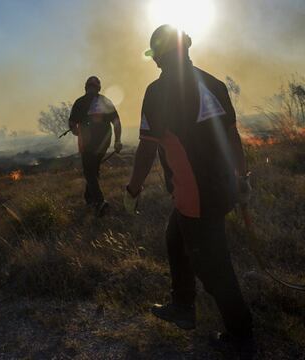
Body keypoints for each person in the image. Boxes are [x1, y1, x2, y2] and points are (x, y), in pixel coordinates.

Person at [123, 25, 255, 357]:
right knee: (174, 238)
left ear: (161, 56)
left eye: (155, 56)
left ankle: (241, 335)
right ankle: (182, 306)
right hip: (220, 187)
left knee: (213, 266)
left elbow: (146, 150)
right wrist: (241, 177)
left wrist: (133, 189)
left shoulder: (157, 92)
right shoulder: (215, 83)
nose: (154, 63)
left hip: (195, 195)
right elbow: (232, 137)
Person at [69, 76, 123, 216]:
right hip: (104, 141)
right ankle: (89, 199)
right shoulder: (105, 101)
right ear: (98, 88)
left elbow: (72, 124)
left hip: (87, 143)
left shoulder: (80, 102)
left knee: (89, 172)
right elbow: (116, 122)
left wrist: (78, 133)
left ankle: (100, 202)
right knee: (93, 169)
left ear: (86, 87)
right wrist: (117, 141)